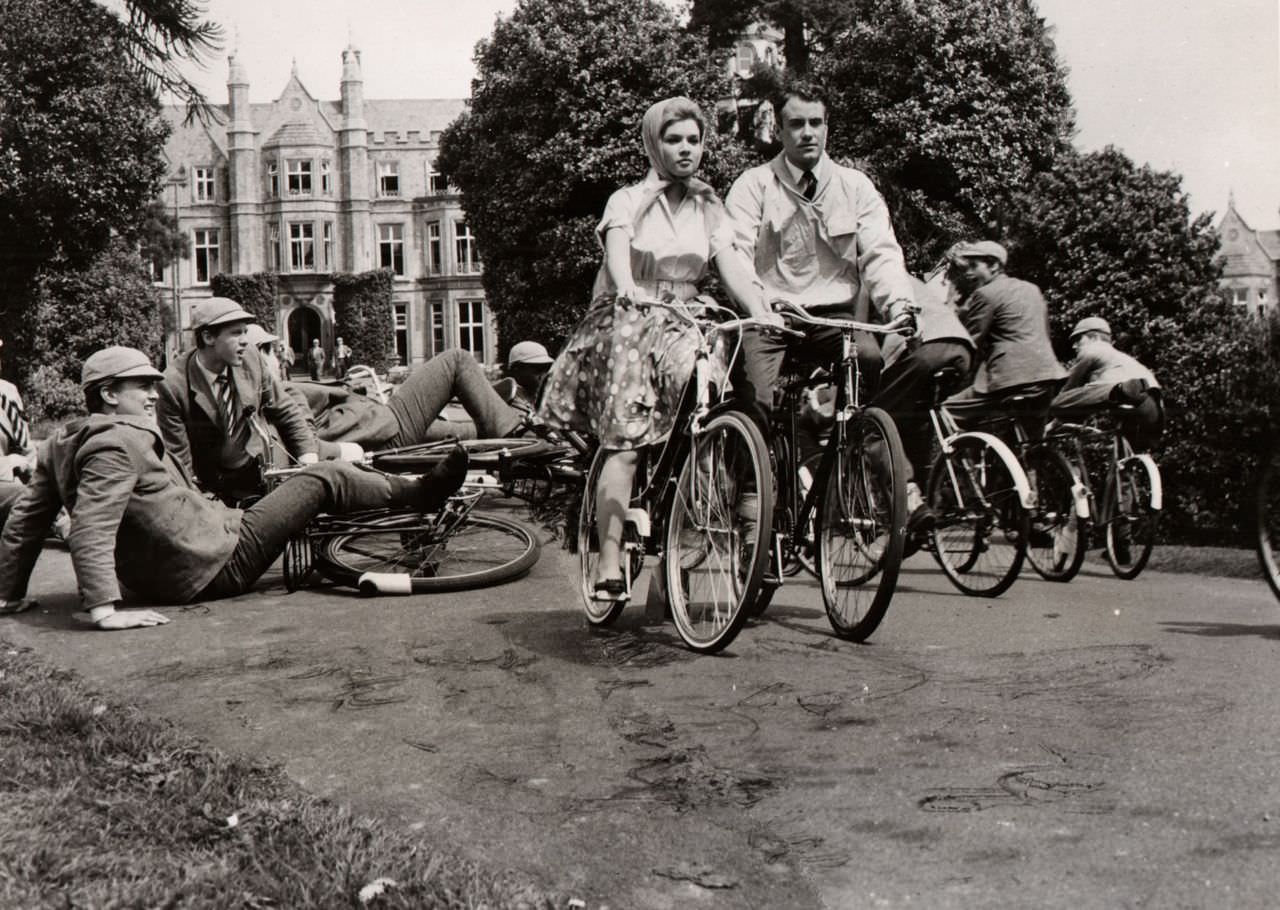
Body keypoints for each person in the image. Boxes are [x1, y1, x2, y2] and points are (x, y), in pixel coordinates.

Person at [0, 347, 468, 630]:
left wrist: (8, 592)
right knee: (322, 479)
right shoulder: (116, 445)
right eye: (140, 386)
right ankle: (420, 493)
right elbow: (91, 528)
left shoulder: (62, 442)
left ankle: (404, 491)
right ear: (107, 393)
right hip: (212, 564)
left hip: (187, 555)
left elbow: (28, 519)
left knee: (292, 492)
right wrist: (104, 610)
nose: (151, 395)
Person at [539, 96, 766, 600]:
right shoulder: (627, 199)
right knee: (627, 438)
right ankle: (610, 561)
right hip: (634, 315)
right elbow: (618, 251)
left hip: (688, 315)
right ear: (653, 143)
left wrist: (760, 307)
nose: (686, 149)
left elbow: (728, 262)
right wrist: (627, 288)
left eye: (694, 139)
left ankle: (680, 532)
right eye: (673, 139)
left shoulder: (710, 204)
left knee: (704, 407)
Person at [724, 85, 918, 423]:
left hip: (834, 318)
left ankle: (844, 456)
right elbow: (735, 251)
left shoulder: (855, 186)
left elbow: (880, 252)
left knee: (868, 363)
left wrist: (898, 303)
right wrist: (758, 307)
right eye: (796, 124)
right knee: (754, 399)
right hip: (772, 317)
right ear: (779, 130)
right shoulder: (753, 185)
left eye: (816, 122)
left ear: (827, 126)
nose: (808, 133)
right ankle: (752, 473)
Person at [157, 297, 321, 503]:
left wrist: (308, 458)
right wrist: (203, 504)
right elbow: (180, 462)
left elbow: (285, 408)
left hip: (261, 466)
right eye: (236, 333)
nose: (245, 340)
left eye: (245, 331)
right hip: (211, 483)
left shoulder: (250, 357)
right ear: (208, 337)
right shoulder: (172, 385)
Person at [872, 288, 974, 530]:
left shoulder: (872, 281)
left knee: (874, 427)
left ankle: (912, 501)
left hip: (925, 349)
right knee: (917, 420)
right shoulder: (919, 284)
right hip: (963, 351)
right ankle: (931, 502)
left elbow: (874, 344)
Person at [940, 240, 1066, 434]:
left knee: (945, 411)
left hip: (1010, 379)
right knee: (1033, 443)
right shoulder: (1032, 289)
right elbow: (1044, 332)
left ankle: (958, 461)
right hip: (1046, 376)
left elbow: (970, 342)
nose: (968, 273)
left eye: (974, 266)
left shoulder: (985, 294)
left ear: (994, 265)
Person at [1050, 316, 1162, 451]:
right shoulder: (1125, 358)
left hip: (1124, 393)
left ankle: (1120, 391)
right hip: (1153, 408)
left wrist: (1051, 424)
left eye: (1078, 339)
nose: (1074, 346)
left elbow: (1069, 390)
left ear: (1095, 337)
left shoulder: (1092, 350)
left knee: (1057, 403)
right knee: (1127, 456)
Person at [0, 338, 37, 525]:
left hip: (9, 485)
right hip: (7, 485)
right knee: (22, 496)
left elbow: (26, 447)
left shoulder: (6, 391)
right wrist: (7, 465)